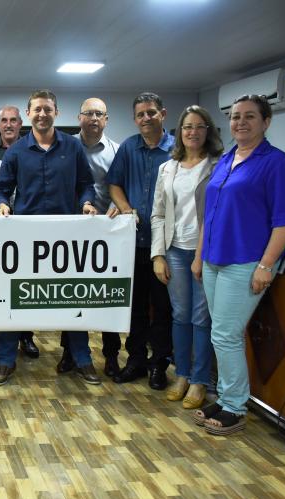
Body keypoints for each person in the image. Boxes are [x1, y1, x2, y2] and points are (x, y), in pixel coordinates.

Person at [194, 95, 285, 435]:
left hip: (246, 261)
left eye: (250, 116)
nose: (240, 122)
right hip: (214, 258)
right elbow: (208, 215)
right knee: (223, 333)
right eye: (235, 116)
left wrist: (266, 266)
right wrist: (199, 256)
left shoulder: (279, 164)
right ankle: (227, 397)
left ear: (266, 122)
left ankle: (235, 406)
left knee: (225, 335)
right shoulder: (226, 160)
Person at [0, 89, 99, 386]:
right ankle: (5, 360)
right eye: (37, 109)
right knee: (15, 298)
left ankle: (82, 358)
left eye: (47, 109)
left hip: (66, 238)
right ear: (29, 114)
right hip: (25, 239)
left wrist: (86, 202)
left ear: (56, 112)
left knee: (72, 297)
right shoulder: (16, 151)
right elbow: (2, 190)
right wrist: (2, 204)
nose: (42, 114)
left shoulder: (73, 147)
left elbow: (86, 184)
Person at [150, 105, 223, 409]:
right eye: (187, 127)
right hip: (174, 250)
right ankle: (181, 374)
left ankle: (199, 380)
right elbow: (158, 214)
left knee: (201, 317)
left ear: (209, 131)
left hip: (206, 251)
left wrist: (200, 254)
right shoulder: (167, 168)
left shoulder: (220, 165)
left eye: (199, 126)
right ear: (179, 132)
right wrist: (158, 255)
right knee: (180, 315)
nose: (193, 132)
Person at [106, 92, 175, 390]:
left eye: (151, 113)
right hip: (132, 242)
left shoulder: (177, 149)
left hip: (166, 245)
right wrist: (124, 208)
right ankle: (135, 359)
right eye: (140, 115)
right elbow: (114, 184)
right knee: (133, 306)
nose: (146, 118)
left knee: (162, 308)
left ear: (162, 114)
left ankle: (159, 363)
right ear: (134, 119)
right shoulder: (128, 148)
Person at [58, 97, 122, 377]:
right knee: (71, 295)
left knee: (106, 296)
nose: (94, 118)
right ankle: (70, 353)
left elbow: (121, 187)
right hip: (72, 231)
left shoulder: (117, 151)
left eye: (99, 114)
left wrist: (119, 204)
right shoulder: (65, 147)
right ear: (79, 118)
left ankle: (111, 356)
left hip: (107, 232)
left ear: (106, 119)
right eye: (88, 113)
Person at [0, 107, 40, 359]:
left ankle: (26, 336)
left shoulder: (31, 149)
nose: (8, 124)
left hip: (26, 227)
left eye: (13, 120)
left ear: (20, 123)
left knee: (24, 286)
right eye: (4, 120)